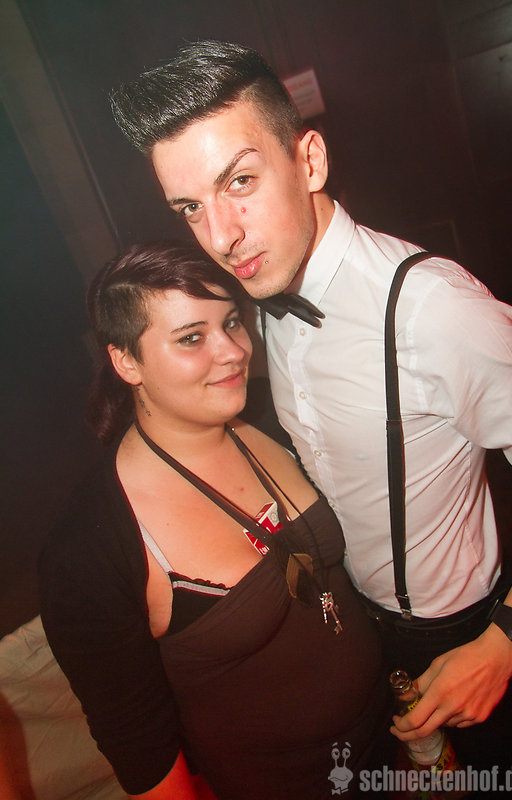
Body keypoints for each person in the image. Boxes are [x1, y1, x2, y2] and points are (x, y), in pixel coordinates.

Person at [109, 40, 512, 778]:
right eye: (191, 208)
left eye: (240, 181)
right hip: (357, 633)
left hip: (468, 632)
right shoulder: (250, 302)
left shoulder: (434, 311)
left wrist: (505, 644)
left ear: (309, 160)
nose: (221, 236)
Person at [38, 242, 392, 800]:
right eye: (191, 338)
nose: (233, 351)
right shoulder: (89, 552)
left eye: (231, 322)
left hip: (395, 734)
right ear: (126, 361)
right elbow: (140, 746)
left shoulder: (274, 417)